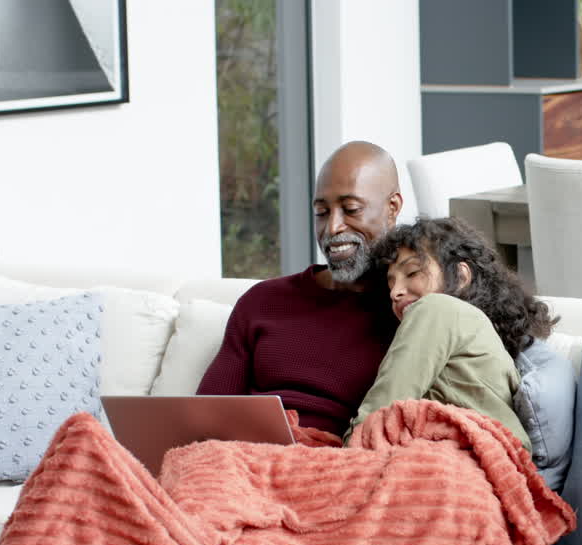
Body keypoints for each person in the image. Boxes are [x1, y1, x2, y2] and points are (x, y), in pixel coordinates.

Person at [197, 141, 402, 438]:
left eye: (351, 209)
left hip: (337, 468)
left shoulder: (408, 311)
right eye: (321, 212)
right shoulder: (262, 302)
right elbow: (202, 417)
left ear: (392, 208)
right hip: (244, 461)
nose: (333, 227)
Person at [346, 216, 557, 450]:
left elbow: (378, 415)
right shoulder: (476, 331)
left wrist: (346, 452)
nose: (395, 292)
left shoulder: (437, 308)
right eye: (391, 283)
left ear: (461, 277)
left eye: (413, 272)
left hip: (466, 459)